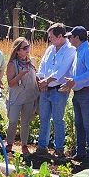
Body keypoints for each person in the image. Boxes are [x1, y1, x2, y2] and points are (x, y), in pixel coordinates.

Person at [35, 23, 77, 158]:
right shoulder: (50, 49)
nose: (50, 39)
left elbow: (62, 70)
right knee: (44, 118)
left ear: (60, 36)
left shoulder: (70, 50)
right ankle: (42, 146)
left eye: (51, 37)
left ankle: (59, 148)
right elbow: (42, 65)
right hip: (46, 88)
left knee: (58, 119)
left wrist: (46, 81)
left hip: (59, 89)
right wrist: (41, 80)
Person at [63, 26, 89, 167]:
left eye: (71, 37)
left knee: (87, 124)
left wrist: (75, 81)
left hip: (88, 91)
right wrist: (71, 82)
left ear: (77, 38)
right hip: (80, 91)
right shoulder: (80, 51)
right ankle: (81, 153)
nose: (69, 39)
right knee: (79, 123)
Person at [4, 38, 39, 155]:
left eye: (28, 47)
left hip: (28, 97)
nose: (27, 50)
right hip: (16, 97)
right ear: (17, 51)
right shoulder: (12, 64)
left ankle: (24, 145)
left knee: (25, 122)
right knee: (13, 120)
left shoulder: (32, 62)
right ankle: (9, 143)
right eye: (24, 48)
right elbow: (10, 83)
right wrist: (20, 75)